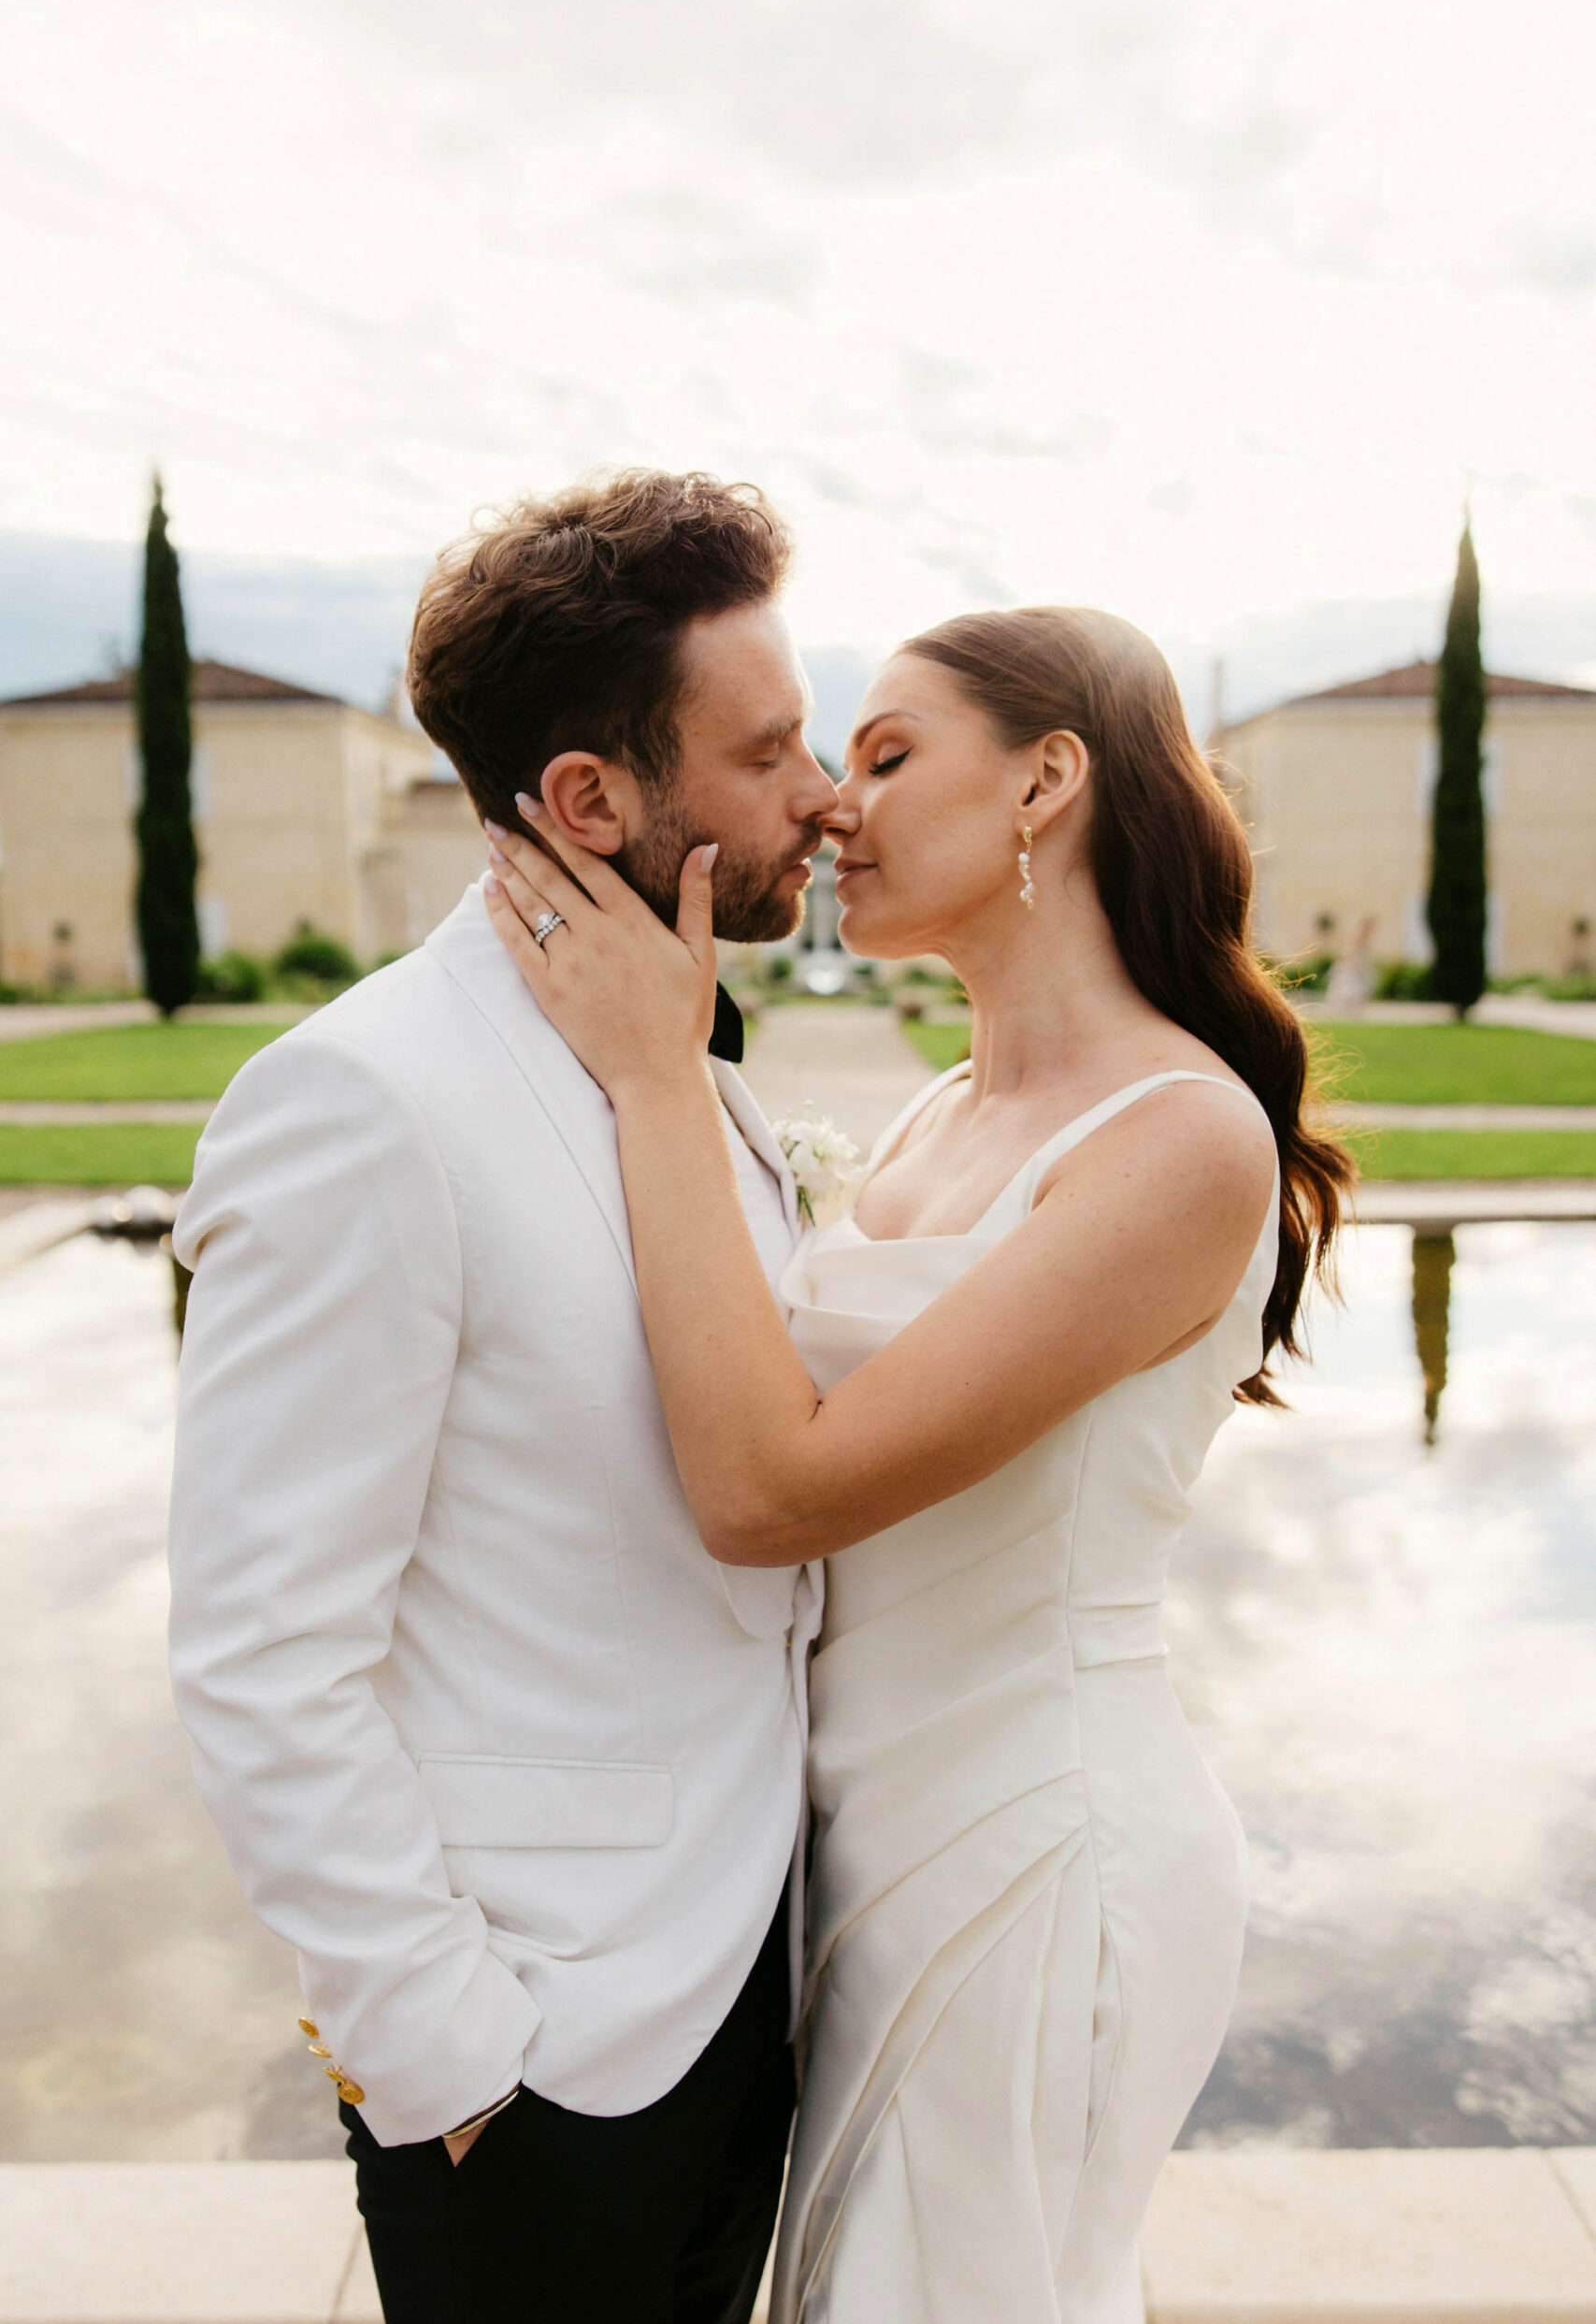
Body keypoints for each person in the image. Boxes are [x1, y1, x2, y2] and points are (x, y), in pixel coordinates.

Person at [482, 602, 1354, 2324]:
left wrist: (661, 1075)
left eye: (887, 756)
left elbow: (770, 1494)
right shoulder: (929, 1120)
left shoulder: (1179, 1139)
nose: (829, 806)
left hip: (1035, 1850)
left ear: (1046, 782)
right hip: (855, 1846)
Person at [166, 469, 839, 2324]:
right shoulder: (359, 1101)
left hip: (743, 1991)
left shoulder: (686, 1073)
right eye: (767, 748)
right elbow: (258, 1647)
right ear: (587, 800)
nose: (820, 794)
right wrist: (444, 2053)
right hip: (533, 2055)